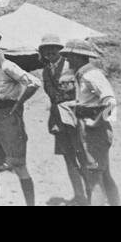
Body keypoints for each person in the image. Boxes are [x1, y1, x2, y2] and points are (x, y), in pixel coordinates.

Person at [0, 28, 41, 206]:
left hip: (9, 117)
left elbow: (34, 83)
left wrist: (19, 104)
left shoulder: (6, 66)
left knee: (18, 165)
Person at [64, 39, 121, 206]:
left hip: (95, 132)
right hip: (90, 130)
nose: (68, 60)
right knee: (104, 175)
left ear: (80, 58)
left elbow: (110, 101)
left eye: (70, 57)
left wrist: (96, 122)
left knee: (93, 178)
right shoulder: (83, 76)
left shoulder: (91, 75)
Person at [38, 32, 87, 205]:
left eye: (54, 50)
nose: (50, 53)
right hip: (59, 120)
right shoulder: (46, 70)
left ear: (60, 50)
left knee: (82, 156)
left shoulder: (70, 66)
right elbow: (51, 93)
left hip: (73, 117)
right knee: (68, 157)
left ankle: (91, 194)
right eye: (46, 51)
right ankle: (79, 194)